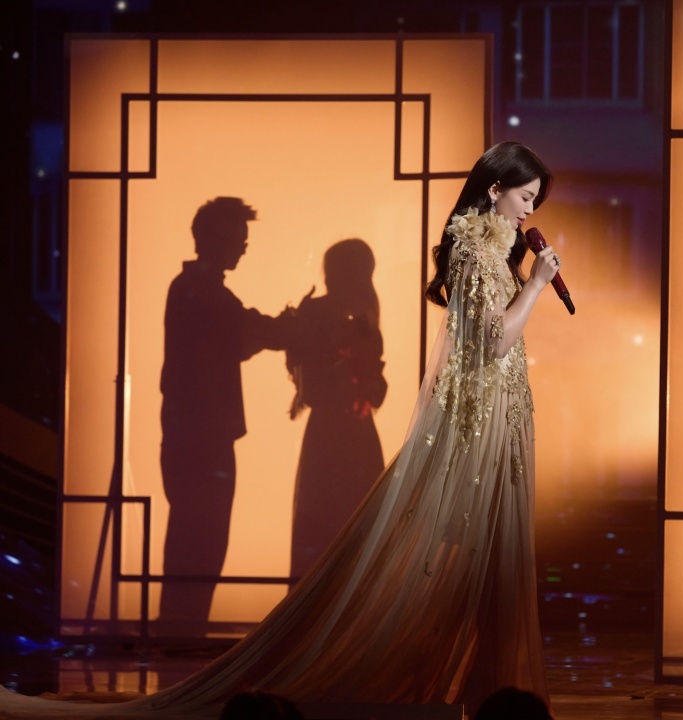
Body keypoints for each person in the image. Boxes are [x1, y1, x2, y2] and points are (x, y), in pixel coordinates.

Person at [0, 142, 560, 718]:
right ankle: (207, 634)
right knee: (231, 539)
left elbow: (385, 378)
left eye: (534, 201)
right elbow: (493, 341)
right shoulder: (470, 249)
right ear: (495, 189)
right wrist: (537, 285)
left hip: (443, 421)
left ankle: (477, 686)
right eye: (525, 197)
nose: (529, 211)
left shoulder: (484, 256)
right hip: (253, 435)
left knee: (480, 559)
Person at [159, 196, 293, 636]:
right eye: (239, 240)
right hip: (202, 438)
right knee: (201, 541)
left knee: (196, 539)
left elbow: (245, 332)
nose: (243, 249)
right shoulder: (202, 293)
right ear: (215, 240)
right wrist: (292, 326)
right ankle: (182, 631)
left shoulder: (195, 289)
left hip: (194, 435)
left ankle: (182, 629)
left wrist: (280, 327)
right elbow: (248, 331)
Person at [286, 239, 387, 582]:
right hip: (342, 435)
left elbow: (375, 388)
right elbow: (315, 385)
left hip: (349, 435)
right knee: (335, 527)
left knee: (343, 526)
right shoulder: (329, 315)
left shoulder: (358, 317)